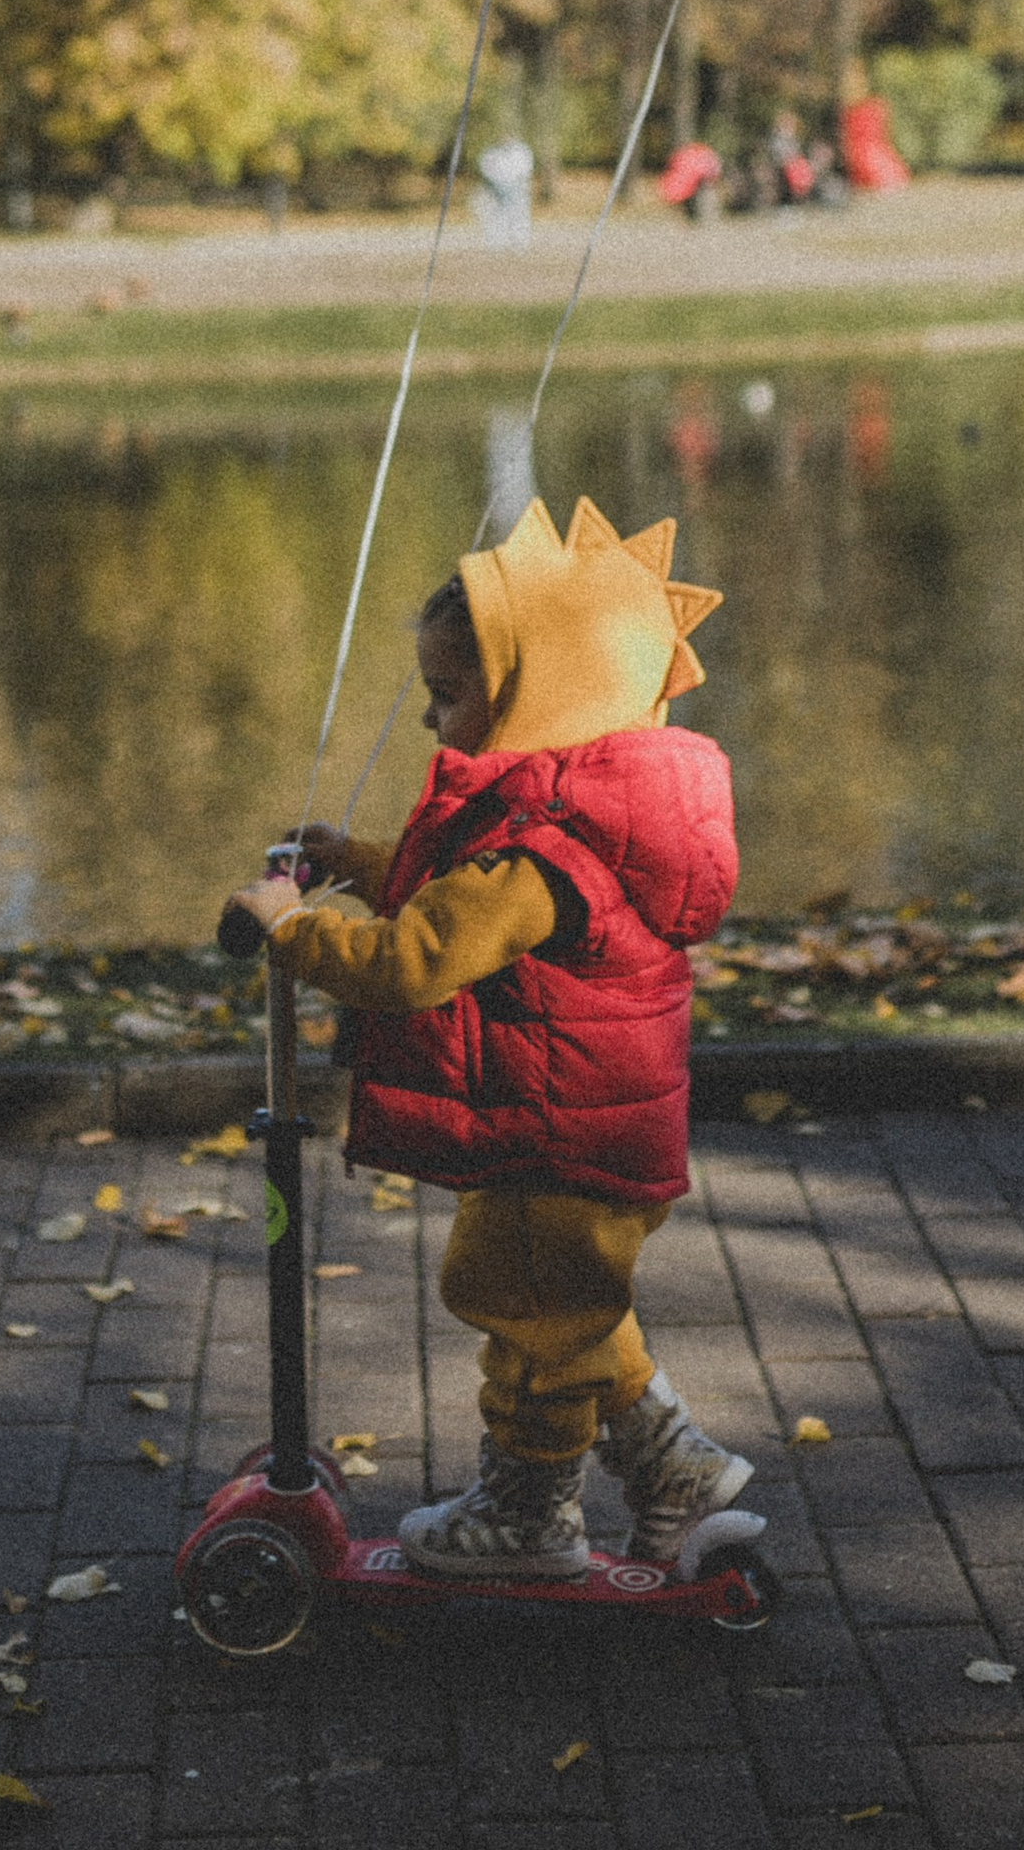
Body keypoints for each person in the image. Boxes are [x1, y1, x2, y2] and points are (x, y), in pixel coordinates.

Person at [218, 497, 753, 1579]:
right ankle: (674, 1469)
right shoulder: (590, 815)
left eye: (448, 695)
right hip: (576, 1126)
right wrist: (361, 862)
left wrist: (293, 930)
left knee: (525, 1310)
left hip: (557, 1137)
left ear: (535, 692)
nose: (430, 720)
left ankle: (530, 1517)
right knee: (567, 1308)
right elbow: (453, 900)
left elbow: (415, 962)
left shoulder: (543, 855)